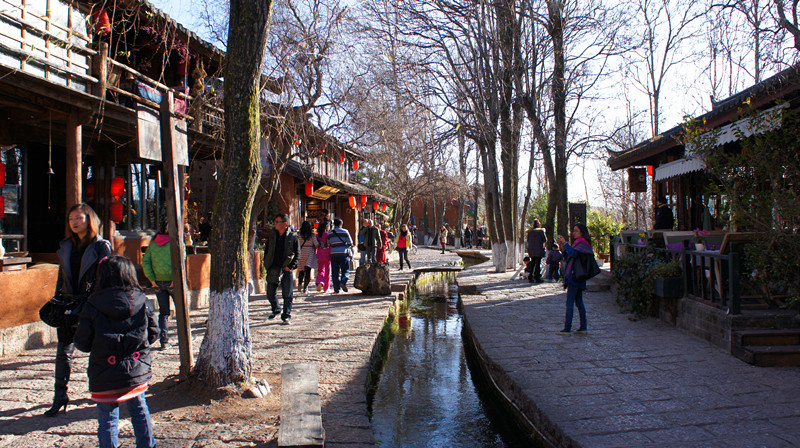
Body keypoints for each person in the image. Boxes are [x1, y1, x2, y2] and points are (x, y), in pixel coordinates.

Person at [74, 255, 158, 448]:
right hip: (136, 370)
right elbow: (154, 334)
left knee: (108, 418)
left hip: (105, 372)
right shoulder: (143, 300)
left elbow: (83, 343)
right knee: (140, 410)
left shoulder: (92, 305)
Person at [44, 203, 113, 417]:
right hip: (68, 304)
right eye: (71, 218)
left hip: (91, 305)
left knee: (97, 350)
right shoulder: (66, 245)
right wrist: (57, 299)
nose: (74, 222)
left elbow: (107, 278)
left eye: (79, 217)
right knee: (63, 351)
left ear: (89, 219)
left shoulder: (101, 246)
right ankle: (60, 396)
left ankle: (102, 393)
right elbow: (62, 276)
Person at [142, 221, 176, 349]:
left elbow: (145, 262)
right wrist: (175, 278)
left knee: (163, 312)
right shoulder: (176, 242)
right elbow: (181, 260)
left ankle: (164, 341)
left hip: (158, 282)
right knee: (181, 311)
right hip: (173, 281)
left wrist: (151, 279)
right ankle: (185, 338)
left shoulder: (153, 244)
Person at [556, 224, 594, 336]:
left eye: (576, 231)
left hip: (575, 276)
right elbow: (570, 256)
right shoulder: (578, 243)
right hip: (578, 276)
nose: (574, 233)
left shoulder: (582, 243)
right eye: (573, 230)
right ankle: (583, 327)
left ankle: (567, 329)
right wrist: (563, 248)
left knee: (570, 303)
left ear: (581, 232)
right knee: (579, 302)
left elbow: (574, 253)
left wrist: (565, 243)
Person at [263, 214, 299, 324]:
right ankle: (276, 308)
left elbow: (297, 254)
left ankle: (286, 315)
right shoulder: (272, 235)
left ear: (284, 224)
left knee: (287, 294)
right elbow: (267, 250)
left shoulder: (293, 236)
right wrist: (266, 263)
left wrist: (290, 266)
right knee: (270, 293)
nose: (275, 223)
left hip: (286, 268)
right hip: (273, 267)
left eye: (277, 221)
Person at [328, 218, 353, 293]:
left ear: (334, 224)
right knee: (345, 270)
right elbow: (350, 243)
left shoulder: (330, 233)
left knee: (335, 272)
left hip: (333, 254)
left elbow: (328, 243)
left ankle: (336, 289)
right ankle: (343, 281)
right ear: (341, 224)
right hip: (343, 253)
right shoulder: (345, 231)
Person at [295, 221, 319, 294]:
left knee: (301, 270)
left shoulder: (299, 235)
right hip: (309, 253)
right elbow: (316, 244)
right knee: (308, 271)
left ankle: (300, 283)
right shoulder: (312, 235)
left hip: (301, 252)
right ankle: (305, 288)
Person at [526, 219, 547, 283]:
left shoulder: (529, 232)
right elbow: (545, 240)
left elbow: (528, 240)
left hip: (532, 250)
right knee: (538, 264)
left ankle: (530, 277)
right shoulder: (541, 231)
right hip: (539, 249)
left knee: (533, 263)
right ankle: (537, 277)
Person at [315, 221, 331, 293]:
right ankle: (326, 288)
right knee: (327, 271)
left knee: (320, 270)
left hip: (319, 253)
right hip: (327, 253)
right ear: (327, 227)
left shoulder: (317, 235)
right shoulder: (328, 235)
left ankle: (320, 282)